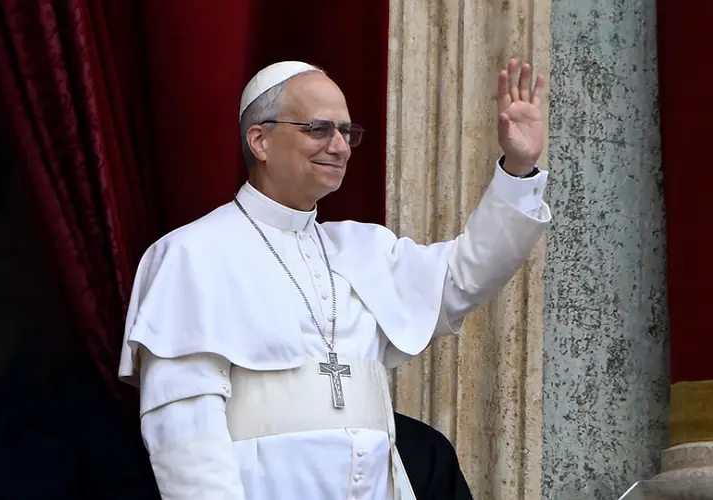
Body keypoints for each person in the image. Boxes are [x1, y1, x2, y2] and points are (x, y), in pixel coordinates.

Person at [119, 59, 551, 499]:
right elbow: (184, 435)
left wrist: (517, 171)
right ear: (260, 140)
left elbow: (466, 275)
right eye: (319, 129)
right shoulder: (191, 254)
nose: (340, 146)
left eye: (347, 132)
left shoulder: (364, 249)